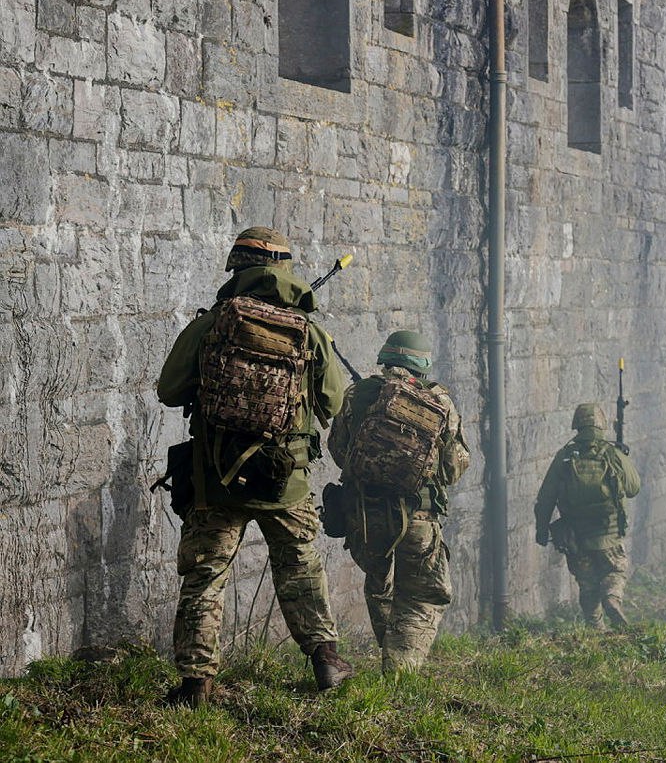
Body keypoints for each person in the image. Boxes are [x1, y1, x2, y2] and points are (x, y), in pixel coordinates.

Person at [156, 226, 352, 707]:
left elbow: (168, 391)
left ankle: (196, 684)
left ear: (236, 269)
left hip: (216, 477)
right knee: (300, 566)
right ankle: (325, 659)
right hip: (286, 480)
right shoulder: (309, 332)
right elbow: (334, 403)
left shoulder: (214, 322)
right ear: (286, 269)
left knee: (206, 576)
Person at [327, 330, 470, 673]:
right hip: (418, 517)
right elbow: (453, 468)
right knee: (423, 594)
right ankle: (401, 668)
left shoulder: (358, 395)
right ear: (421, 366)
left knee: (380, 583)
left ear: (386, 359)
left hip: (365, 515)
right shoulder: (440, 403)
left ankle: (392, 654)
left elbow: (338, 450)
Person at [534, 404, 642, 628]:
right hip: (609, 535)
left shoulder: (565, 457)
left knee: (587, 583)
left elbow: (545, 498)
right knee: (616, 570)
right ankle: (612, 598)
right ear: (601, 425)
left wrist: (542, 530)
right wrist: (623, 457)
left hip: (577, 537)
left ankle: (596, 628)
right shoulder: (612, 453)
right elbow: (633, 488)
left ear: (577, 425)